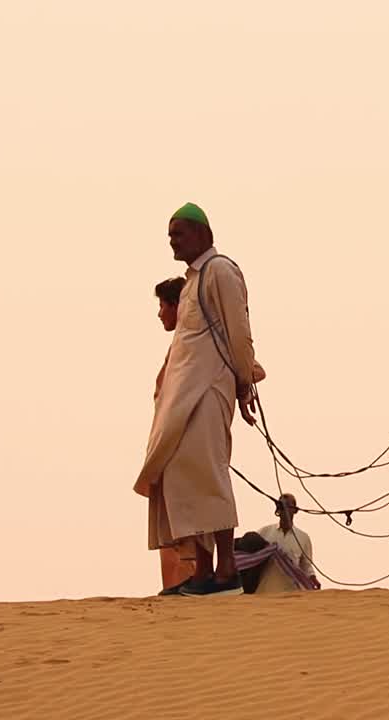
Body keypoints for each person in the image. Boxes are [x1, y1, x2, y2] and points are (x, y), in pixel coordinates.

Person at [134, 202, 263, 597]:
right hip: (184, 399)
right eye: (169, 235)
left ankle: (226, 572)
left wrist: (244, 383)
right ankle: (203, 571)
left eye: (179, 234)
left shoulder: (220, 270)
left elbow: (239, 332)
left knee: (208, 477)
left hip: (208, 392)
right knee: (183, 478)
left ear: (203, 235)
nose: (172, 241)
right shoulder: (192, 281)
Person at [149, 276, 197, 593]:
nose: (159, 314)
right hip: (169, 442)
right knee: (170, 519)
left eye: (162, 306)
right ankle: (176, 588)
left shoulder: (194, 343)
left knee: (185, 517)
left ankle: (188, 585)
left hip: (184, 442)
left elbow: (251, 368)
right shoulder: (180, 345)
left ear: (176, 306)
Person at [234, 493, 319, 593]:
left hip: (291, 592)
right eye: (281, 506)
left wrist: (313, 578)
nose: (283, 509)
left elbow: (306, 565)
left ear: (295, 510)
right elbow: (251, 554)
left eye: (287, 506)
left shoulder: (303, 537)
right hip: (265, 590)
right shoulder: (265, 532)